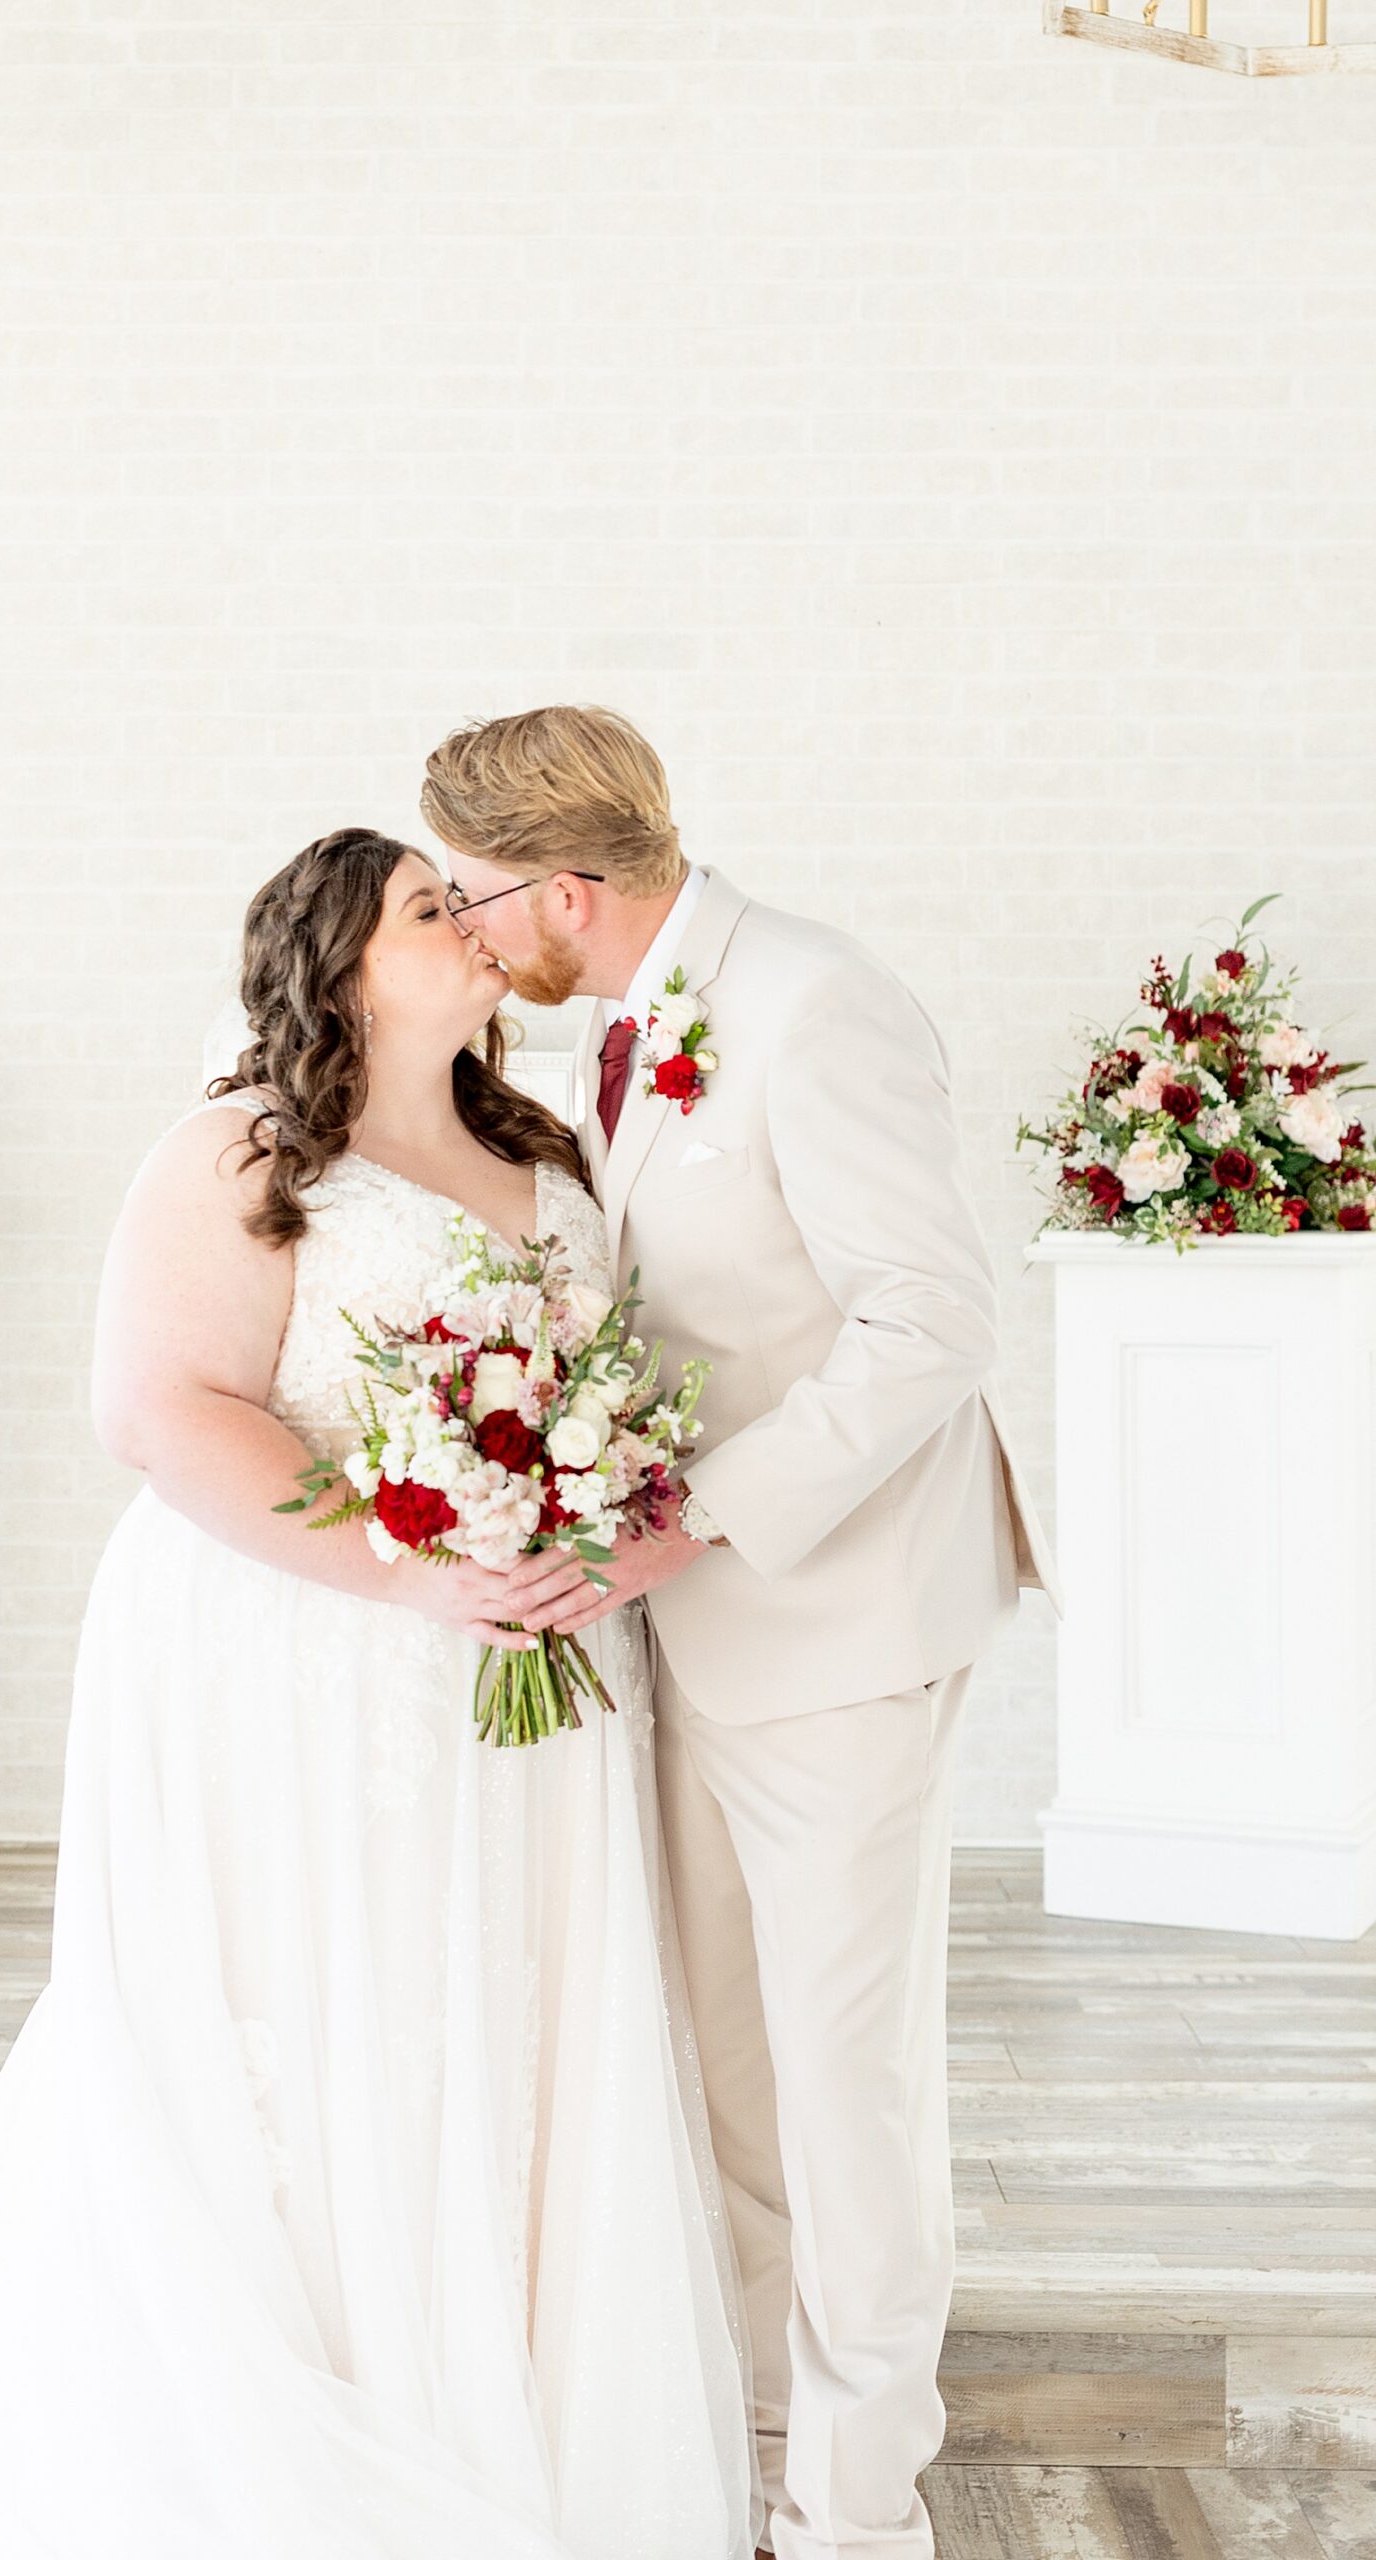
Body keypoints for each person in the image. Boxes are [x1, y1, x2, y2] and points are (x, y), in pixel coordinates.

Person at [0, 825, 761, 2560]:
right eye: (428, 906)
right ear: (339, 958)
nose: (469, 919)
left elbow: (626, 1401)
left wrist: (592, 1546)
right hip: (296, 1663)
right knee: (313, 2007)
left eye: (466, 897)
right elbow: (163, 1407)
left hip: (522, 1666)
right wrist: (413, 1564)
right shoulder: (246, 1148)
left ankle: (495, 2411)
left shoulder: (554, 1149)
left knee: (505, 2009)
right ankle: (303, 2417)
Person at [420, 707, 1065, 2560]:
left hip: (846, 1624)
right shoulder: (618, 1023)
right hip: (688, 1643)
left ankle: (863, 2515)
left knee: (848, 2088)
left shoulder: (809, 1001)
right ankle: (764, 2434)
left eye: (473, 902)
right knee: (727, 2066)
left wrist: (682, 1524)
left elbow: (931, 1326)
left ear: (566, 885)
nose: (469, 938)